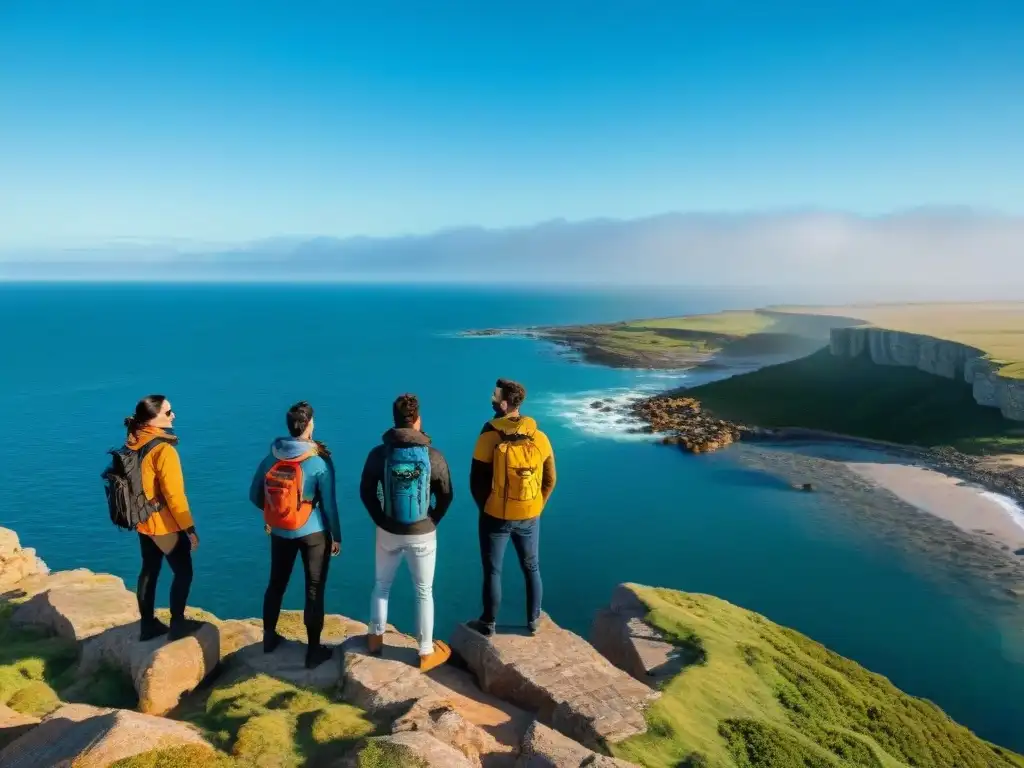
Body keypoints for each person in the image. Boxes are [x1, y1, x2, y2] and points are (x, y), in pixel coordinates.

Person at [359, 393, 454, 672]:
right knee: (424, 591)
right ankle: (425, 653)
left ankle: (375, 640)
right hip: (423, 532)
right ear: (417, 420)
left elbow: (366, 491)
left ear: (395, 420)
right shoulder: (432, 456)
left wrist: (380, 518)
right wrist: (432, 520)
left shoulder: (380, 454)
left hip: (388, 530)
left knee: (381, 586)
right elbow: (447, 495)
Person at [250, 401, 341, 669]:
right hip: (312, 532)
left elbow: (254, 495)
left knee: (276, 584)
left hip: (280, 531)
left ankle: (269, 639)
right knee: (314, 590)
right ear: (310, 424)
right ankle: (313, 652)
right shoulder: (318, 461)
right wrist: (336, 536)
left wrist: (276, 513)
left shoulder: (272, 457)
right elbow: (330, 505)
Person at [469, 379, 556, 636]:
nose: (492, 399)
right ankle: (533, 621)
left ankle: (488, 623)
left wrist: (486, 508)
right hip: (530, 514)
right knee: (532, 567)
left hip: (496, 515)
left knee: (493, 570)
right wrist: (537, 505)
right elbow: (551, 478)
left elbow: (476, 481)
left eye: (495, 395)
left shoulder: (489, 436)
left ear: (504, 403)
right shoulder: (539, 437)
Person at [125, 395, 204, 642]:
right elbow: (174, 495)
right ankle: (177, 624)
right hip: (162, 523)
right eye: (168, 412)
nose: (173, 415)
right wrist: (189, 528)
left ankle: (147, 624)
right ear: (154, 418)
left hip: (141, 519)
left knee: (149, 568)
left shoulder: (135, 440)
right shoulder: (163, 450)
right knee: (184, 572)